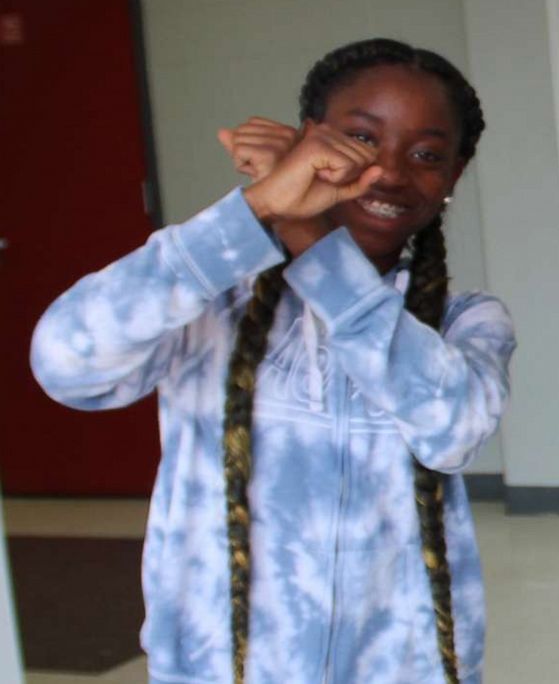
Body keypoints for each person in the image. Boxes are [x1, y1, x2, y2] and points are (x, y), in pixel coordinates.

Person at [30, 39, 515, 684]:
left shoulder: (467, 321)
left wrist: (309, 239)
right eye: (361, 141)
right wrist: (257, 211)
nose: (390, 172)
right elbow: (67, 361)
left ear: (453, 176)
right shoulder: (211, 299)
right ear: (310, 143)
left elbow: (452, 430)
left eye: (426, 154)